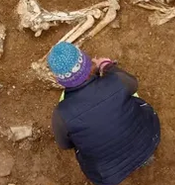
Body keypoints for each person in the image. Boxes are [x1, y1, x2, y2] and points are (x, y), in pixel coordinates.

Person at [49, 42, 161, 185]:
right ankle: (145, 158)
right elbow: (133, 84)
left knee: (81, 144)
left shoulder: (61, 115)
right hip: (149, 140)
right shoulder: (117, 81)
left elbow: (65, 145)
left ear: (59, 80)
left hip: (107, 174)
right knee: (133, 99)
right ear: (87, 62)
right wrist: (107, 65)